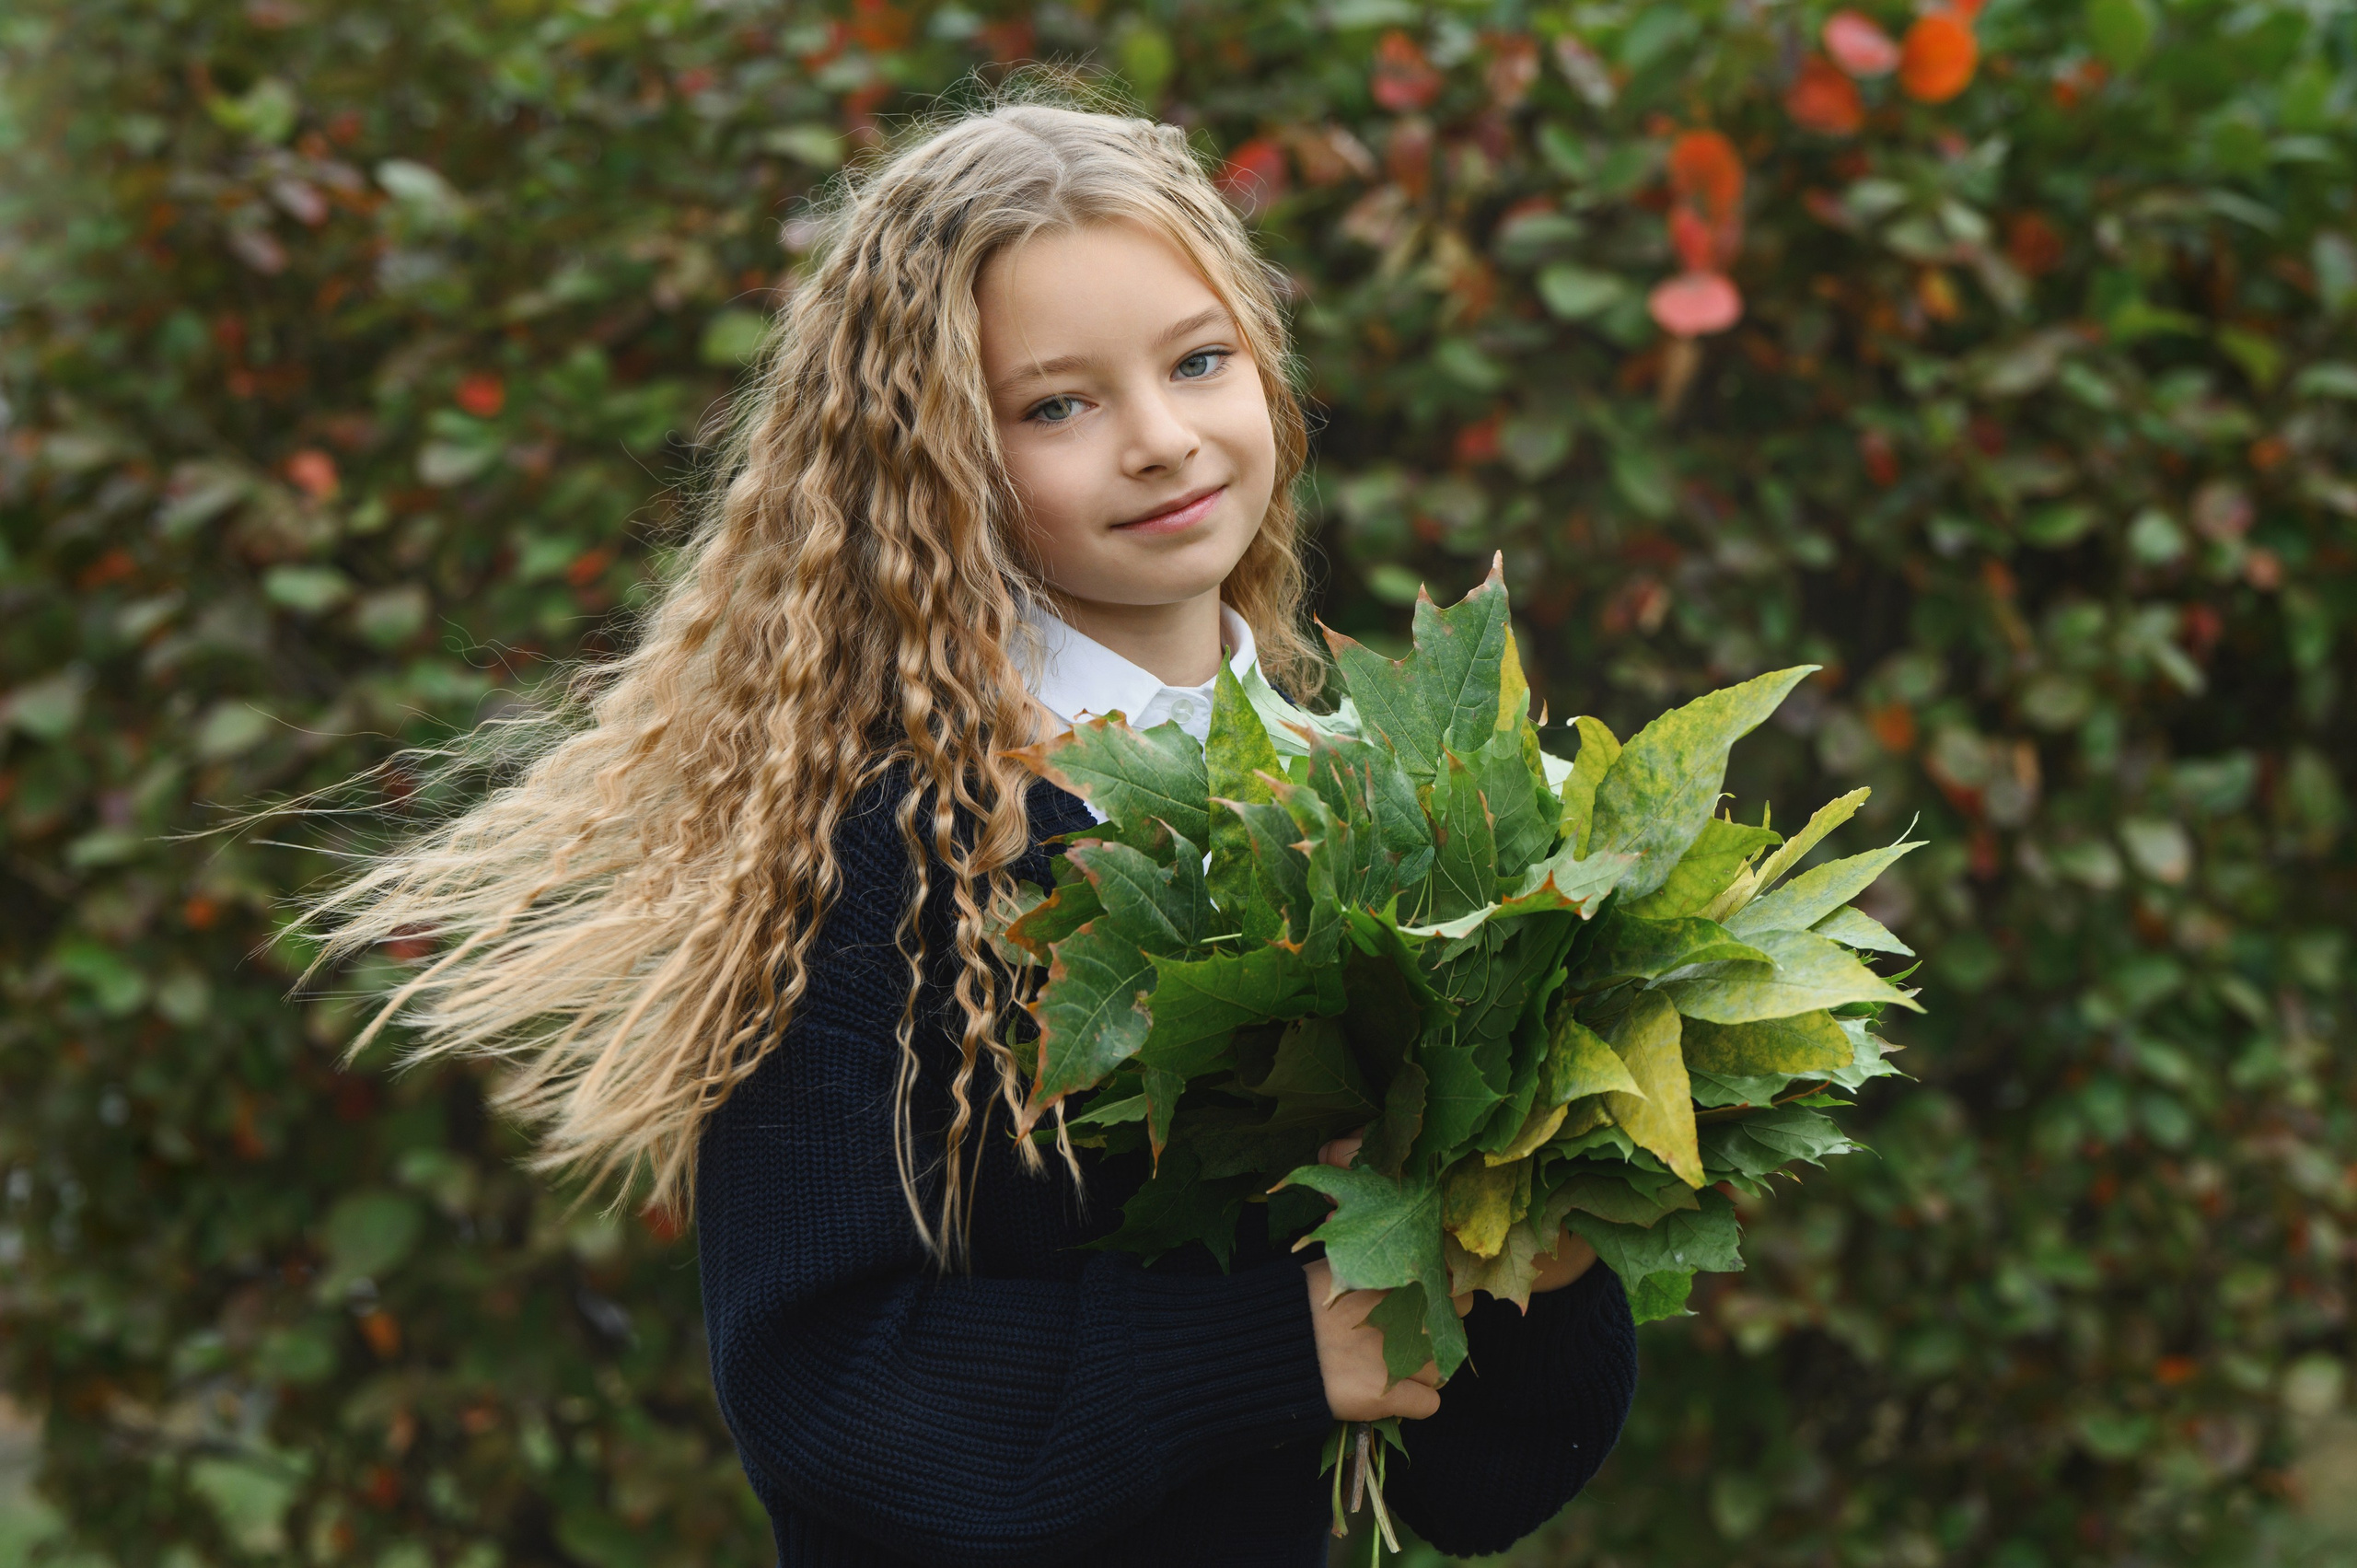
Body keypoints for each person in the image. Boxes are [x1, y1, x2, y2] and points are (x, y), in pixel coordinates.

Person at [304, 89, 1634, 1567]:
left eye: (1199, 362)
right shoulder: (893, 849)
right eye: (1056, 404)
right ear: (937, 463)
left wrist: (1542, 1253)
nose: (1160, 440)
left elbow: (1480, 1484)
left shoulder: (1382, 812)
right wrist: (1263, 1349)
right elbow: (824, 1394)